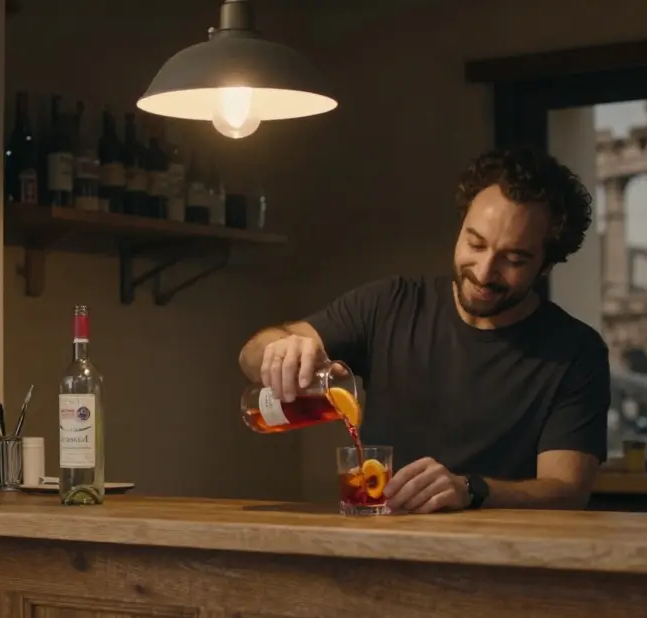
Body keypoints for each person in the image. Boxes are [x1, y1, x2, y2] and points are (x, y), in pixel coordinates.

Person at [237, 147, 610, 513]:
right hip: (382, 550)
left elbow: (567, 491)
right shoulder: (389, 304)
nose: (483, 272)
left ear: (546, 265)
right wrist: (281, 350)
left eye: (514, 259)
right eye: (474, 243)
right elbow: (252, 354)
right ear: (461, 226)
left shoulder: (575, 350)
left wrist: (471, 489)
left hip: (504, 562)